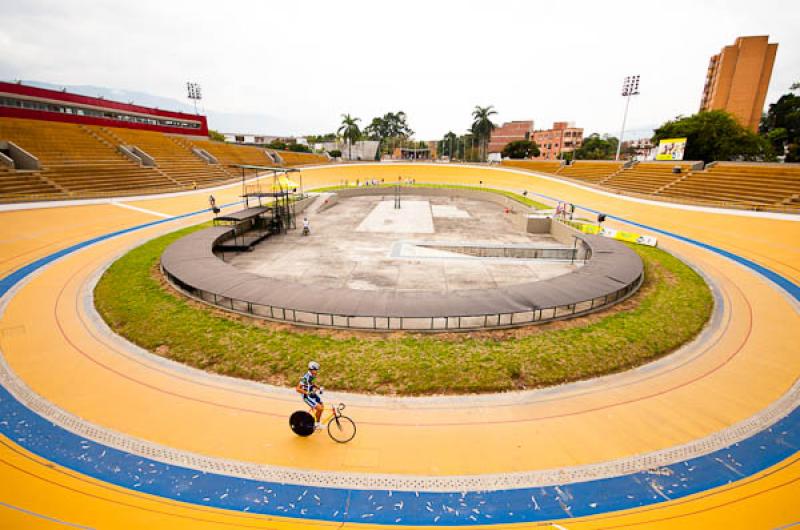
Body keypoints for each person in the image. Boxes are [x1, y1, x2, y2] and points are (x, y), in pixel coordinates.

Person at [297, 361, 323, 429]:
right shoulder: (306, 378)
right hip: (307, 396)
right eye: (316, 370)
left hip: (311, 393)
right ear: (311, 369)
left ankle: (318, 422)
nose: (317, 371)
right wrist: (307, 393)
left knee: (322, 406)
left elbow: (311, 383)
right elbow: (297, 389)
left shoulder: (312, 375)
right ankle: (317, 424)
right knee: (320, 408)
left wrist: (319, 388)